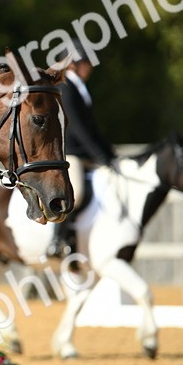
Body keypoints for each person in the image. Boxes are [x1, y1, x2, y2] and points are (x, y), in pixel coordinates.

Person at [50, 40, 116, 257]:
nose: (90, 67)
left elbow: (93, 128)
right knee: (75, 193)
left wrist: (110, 156)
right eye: (85, 63)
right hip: (71, 153)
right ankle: (58, 240)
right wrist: (99, 155)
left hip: (85, 153)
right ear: (72, 65)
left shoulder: (81, 88)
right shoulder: (65, 88)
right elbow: (78, 128)